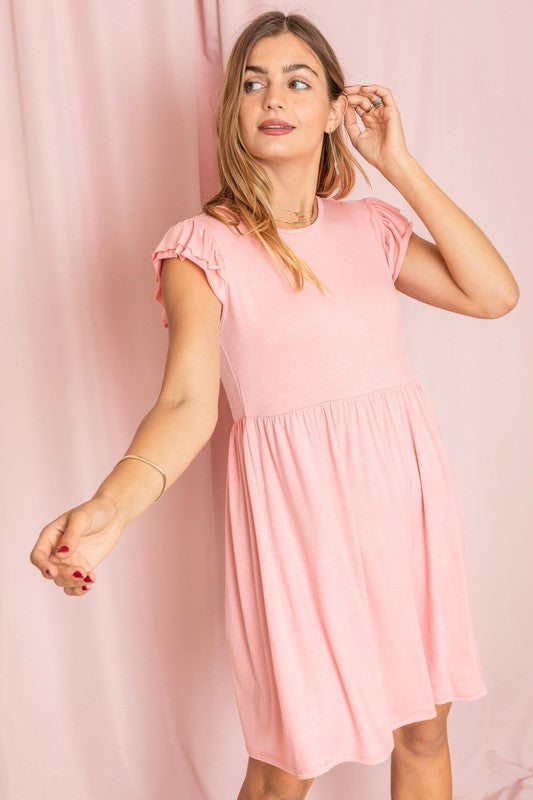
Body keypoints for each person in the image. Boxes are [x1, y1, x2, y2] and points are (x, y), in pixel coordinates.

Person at [30, 10, 519, 800]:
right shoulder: (202, 247)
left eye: (298, 81)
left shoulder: (372, 227)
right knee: (288, 760)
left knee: (425, 729)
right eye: (252, 82)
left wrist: (396, 162)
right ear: (232, 111)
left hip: (403, 505)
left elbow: (494, 294)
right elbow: (188, 400)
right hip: (298, 521)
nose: (271, 96)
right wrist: (108, 510)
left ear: (335, 110)